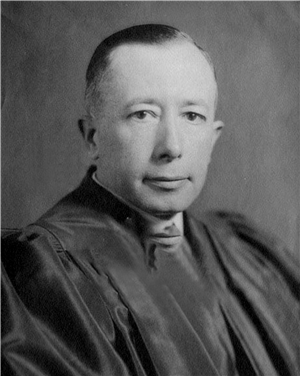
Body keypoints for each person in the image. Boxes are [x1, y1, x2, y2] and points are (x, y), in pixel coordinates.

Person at [0, 24, 299, 376]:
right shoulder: (43, 273)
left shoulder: (246, 250)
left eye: (192, 116)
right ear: (93, 138)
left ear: (213, 138)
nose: (171, 147)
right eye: (143, 114)